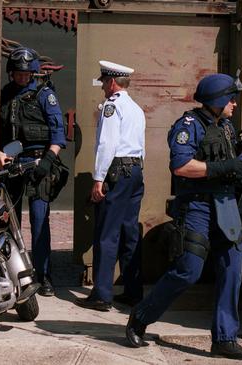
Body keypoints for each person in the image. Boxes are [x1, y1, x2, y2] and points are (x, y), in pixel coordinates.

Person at [125, 73, 242, 361]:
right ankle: (141, 316)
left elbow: (226, 159)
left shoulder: (223, 126)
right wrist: (224, 168)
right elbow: (181, 166)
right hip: (197, 206)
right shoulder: (189, 126)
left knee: (232, 270)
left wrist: (240, 167)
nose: (234, 104)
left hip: (225, 205)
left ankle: (224, 339)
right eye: (230, 99)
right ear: (218, 100)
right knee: (189, 270)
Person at [76, 61, 146, 312]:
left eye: (104, 82)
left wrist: (98, 178)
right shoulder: (136, 109)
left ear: (113, 82)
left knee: (107, 232)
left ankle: (102, 294)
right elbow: (140, 145)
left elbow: (107, 144)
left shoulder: (111, 107)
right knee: (130, 233)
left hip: (116, 171)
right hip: (135, 171)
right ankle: (133, 290)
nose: (103, 87)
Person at [0, 47, 66, 297]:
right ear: (11, 73)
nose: (22, 77)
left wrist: (49, 160)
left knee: (39, 221)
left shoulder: (44, 95)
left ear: (34, 73)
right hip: (12, 164)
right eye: (18, 73)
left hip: (40, 163)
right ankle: (14, 274)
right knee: (9, 222)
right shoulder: (5, 95)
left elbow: (58, 133)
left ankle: (44, 275)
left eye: (27, 74)